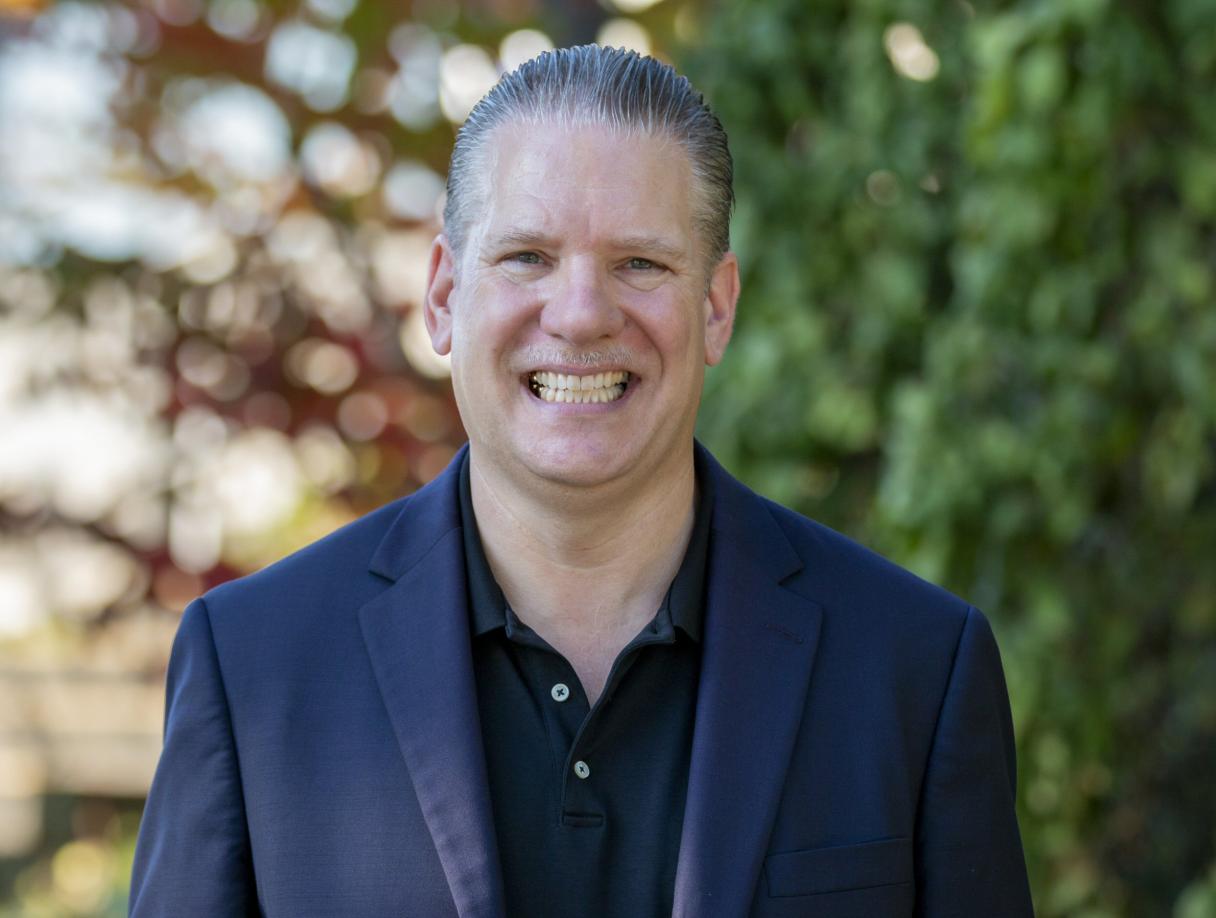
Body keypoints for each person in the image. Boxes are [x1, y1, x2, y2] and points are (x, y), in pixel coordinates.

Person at [130, 45, 1033, 918]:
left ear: (715, 309)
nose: (580, 314)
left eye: (639, 263)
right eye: (527, 255)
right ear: (444, 298)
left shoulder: (915, 666)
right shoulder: (251, 666)